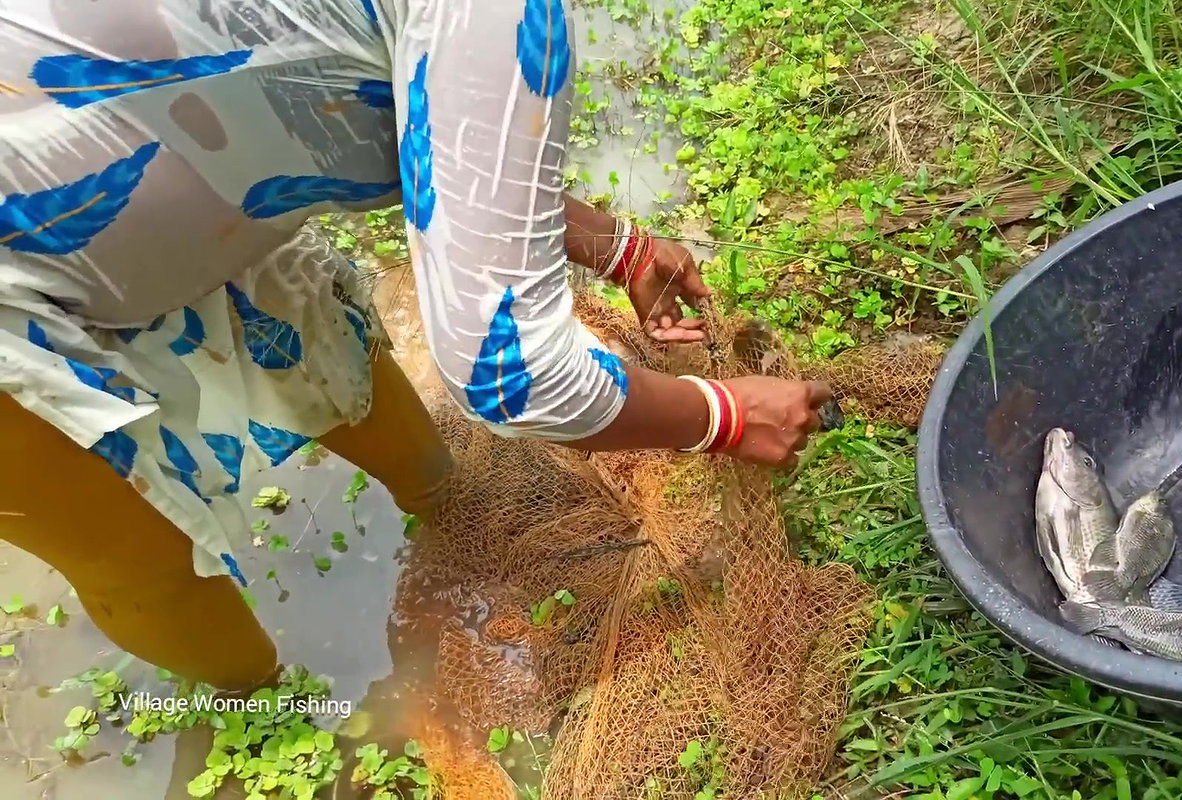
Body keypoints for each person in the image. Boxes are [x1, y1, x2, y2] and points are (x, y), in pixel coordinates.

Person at [0, 0, 830, 695]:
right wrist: (719, 415)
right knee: (136, 554)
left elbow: (368, 112)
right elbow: (513, 378)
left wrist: (617, 245)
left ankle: (449, 509)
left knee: (326, 350)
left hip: (161, 166)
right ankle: (267, 706)